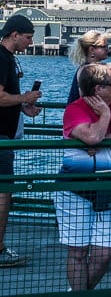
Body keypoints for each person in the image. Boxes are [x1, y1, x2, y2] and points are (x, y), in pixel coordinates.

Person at [54, 63, 111, 291]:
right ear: (98, 89)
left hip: (110, 189)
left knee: (104, 253)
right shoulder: (74, 109)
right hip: (76, 190)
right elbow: (92, 136)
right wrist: (104, 115)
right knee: (79, 251)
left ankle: (80, 292)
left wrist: (108, 137)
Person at [0, 15, 42, 267]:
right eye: (27, 37)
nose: (29, 42)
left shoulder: (8, 59)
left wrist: (23, 107)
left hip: (5, 134)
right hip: (2, 139)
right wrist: (25, 96)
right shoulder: (2, 58)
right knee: (4, 193)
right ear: (14, 34)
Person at [67, 31, 111, 104]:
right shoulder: (89, 71)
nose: (108, 50)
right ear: (92, 50)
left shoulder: (84, 68)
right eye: (104, 47)